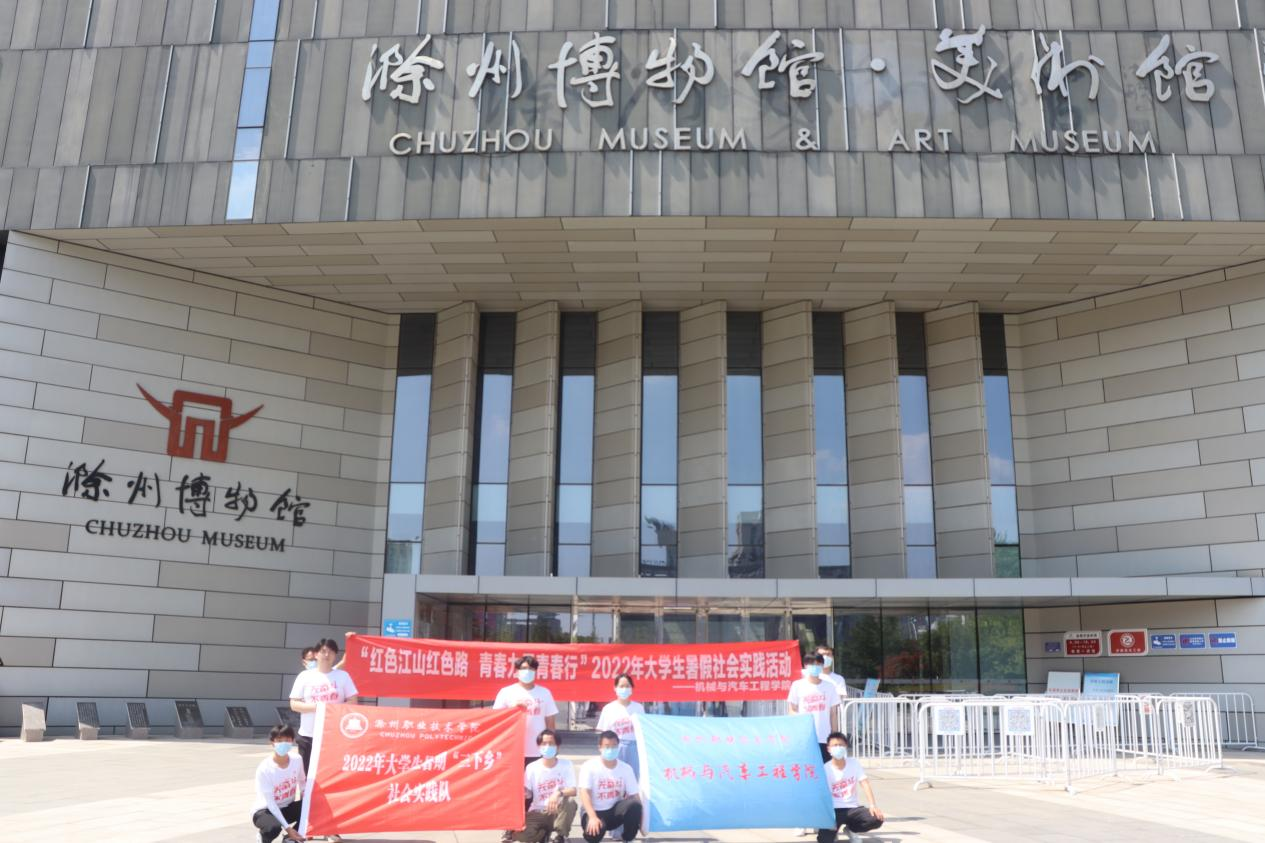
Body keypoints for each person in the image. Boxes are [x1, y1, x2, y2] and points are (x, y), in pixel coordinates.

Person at [289, 638, 359, 775]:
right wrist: (318, 707)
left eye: (331, 652)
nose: (327, 655)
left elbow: (353, 701)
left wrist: (332, 709)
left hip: (334, 735)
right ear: (316, 654)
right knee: (307, 775)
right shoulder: (304, 676)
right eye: (323, 651)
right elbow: (294, 704)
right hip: (308, 735)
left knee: (331, 774)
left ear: (335, 655)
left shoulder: (343, 676)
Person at [493, 655, 559, 767]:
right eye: (523, 668)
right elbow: (497, 719)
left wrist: (552, 745)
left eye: (531, 669)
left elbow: (550, 722)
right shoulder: (506, 692)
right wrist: (513, 710)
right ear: (517, 671)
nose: (527, 671)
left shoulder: (544, 693)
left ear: (535, 671)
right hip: (513, 747)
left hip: (538, 749)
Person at [817, 732, 884, 842]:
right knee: (824, 840)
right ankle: (834, 832)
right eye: (834, 745)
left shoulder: (854, 763)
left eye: (841, 745)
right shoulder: (825, 769)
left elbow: (864, 783)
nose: (838, 748)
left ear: (846, 747)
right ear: (828, 748)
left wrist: (873, 805)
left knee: (876, 819)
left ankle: (852, 830)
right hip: (834, 810)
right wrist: (827, 818)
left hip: (853, 808)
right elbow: (823, 795)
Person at [514, 729, 578, 843]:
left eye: (551, 743)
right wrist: (524, 792)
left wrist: (558, 793)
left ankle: (560, 835)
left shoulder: (566, 765)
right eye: (544, 743)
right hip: (538, 811)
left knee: (570, 802)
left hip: (557, 811)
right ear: (539, 746)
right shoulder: (532, 767)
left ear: (557, 747)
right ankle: (543, 834)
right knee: (521, 836)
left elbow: (573, 790)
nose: (547, 746)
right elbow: (528, 792)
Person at [578, 731, 641, 843]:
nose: (611, 750)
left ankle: (628, 838)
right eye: (607, 746)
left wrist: (641, 820)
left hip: (613, 812)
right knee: (594, 834)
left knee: (634, 804)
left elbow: (635, 795)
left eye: (614, 746)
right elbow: (584, 793)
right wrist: (592, 817)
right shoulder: (589, 766)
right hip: (594, 812)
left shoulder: (626, 768)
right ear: (600, 747)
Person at [252, 724, 306, 843]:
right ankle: (263, 837)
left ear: (292, 741)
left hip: (287, 807)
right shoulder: (265, 768)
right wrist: (288, 828)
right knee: (273, 828)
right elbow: (270, 803)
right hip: (266, 811)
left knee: (313, 809)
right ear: (272, 742)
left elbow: (302, 782)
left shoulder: (297, 760)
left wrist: (306, 799)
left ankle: (290, 839)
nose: (283, 744)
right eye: (279, 740)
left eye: (287, 740)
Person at [788, 652, 842, 760]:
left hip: (824, 736)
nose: (815, 667)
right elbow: (791, 710)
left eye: (818, 664)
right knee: (806, 766)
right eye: (811, 664)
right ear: (805, 666)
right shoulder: (797, 685)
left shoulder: (829, 686)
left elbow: (833, 714)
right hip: (804, 736)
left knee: (825, 766)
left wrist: (834, 735)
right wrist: (801, 719)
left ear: (822, 665)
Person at [596, 673, 644, 778]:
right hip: (615, 747)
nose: (624, 689)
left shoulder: (638, 708)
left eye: (627, 686)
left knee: (633, 776)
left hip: (634, 747)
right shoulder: (608, 709)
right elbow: (604, 734)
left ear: (631, 688)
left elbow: (643, 731)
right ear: (615, 688)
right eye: (621, 686)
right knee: (614, 776)